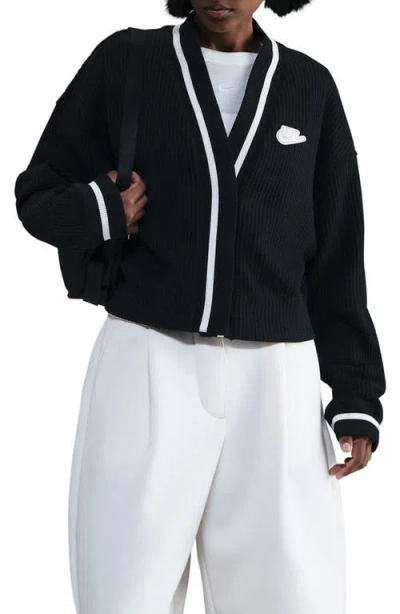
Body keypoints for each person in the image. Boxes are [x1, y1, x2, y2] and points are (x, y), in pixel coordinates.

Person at [14, 1, 386, 613]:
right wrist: (103, 208)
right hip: (147, 362)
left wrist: (355, 393)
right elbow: (37, 195)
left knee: (291, 596)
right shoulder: (128, 63)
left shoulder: (309, 86)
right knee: (124, 594)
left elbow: (338, 250)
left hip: (277, 381)